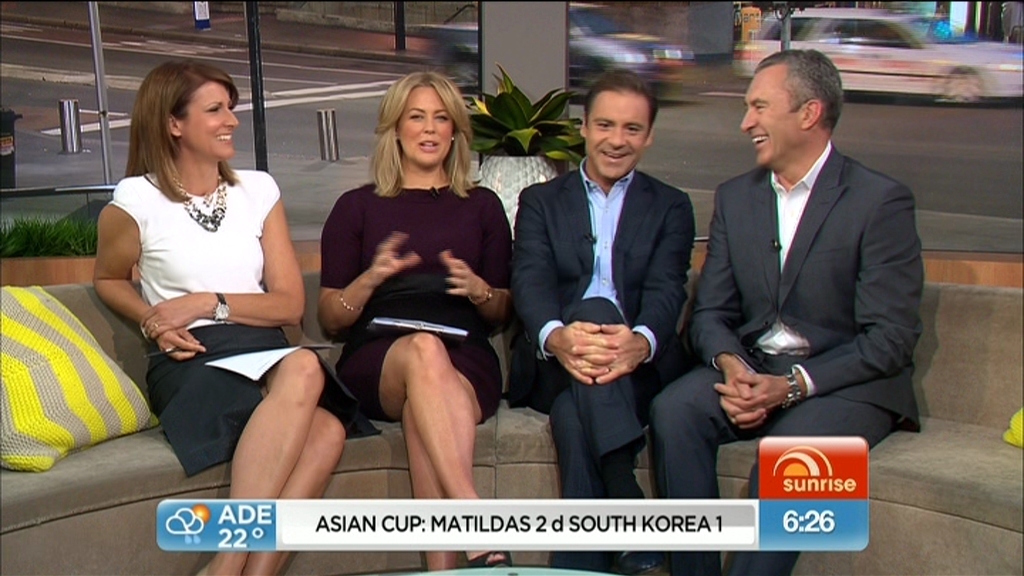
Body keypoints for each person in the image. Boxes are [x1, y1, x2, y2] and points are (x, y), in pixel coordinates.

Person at [93, 59, 376, 576]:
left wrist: (209, 301)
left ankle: (238, 569)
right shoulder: (137, 199)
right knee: (310, 383)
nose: (232, 121)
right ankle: (230, 563)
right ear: (174, 123)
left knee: (327, 428)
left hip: (264, 351)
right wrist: (153, 320)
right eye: (215, 110)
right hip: (194, 358)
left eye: (231, 108)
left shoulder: (259, 191)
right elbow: (108, 278)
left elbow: (288, 305)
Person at [650, 49, 924, 576]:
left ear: (809, 113)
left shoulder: (879, 201)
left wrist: (794, 386)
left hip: (845, 385)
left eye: (759, 107)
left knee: (794, 451)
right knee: (674, 410)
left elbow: (890, 337)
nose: (745, 123)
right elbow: (709, 313)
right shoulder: (736, 198)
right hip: (755, 369)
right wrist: (732, 364)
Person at [317, 71, 514, 571]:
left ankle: (441, 568)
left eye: (441, 118)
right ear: (395, 129)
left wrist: (480, 289)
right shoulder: (357, 207)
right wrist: (371, 278)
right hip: (379, 356)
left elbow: (500, 311)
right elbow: (331, 319)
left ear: (455, 132)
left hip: (466, 354)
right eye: (417, 117)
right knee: (424, 348)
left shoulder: (484, 206)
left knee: (424, 408)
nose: (429, 129)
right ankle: (473, 516)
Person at [509, 68, 696, 575]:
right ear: (585, 128)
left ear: (649, 136)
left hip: (634, 369)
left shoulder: (671, 206)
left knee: (573, 418)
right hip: (556, 362)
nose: (617, 140)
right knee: (592, 311)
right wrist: (556, 337)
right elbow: (530, 281)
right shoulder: (542, 202)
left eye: (632, 129)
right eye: (606, 125)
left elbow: (667, 289)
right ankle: (625, 496)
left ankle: (586, 555)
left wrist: (641, 342)